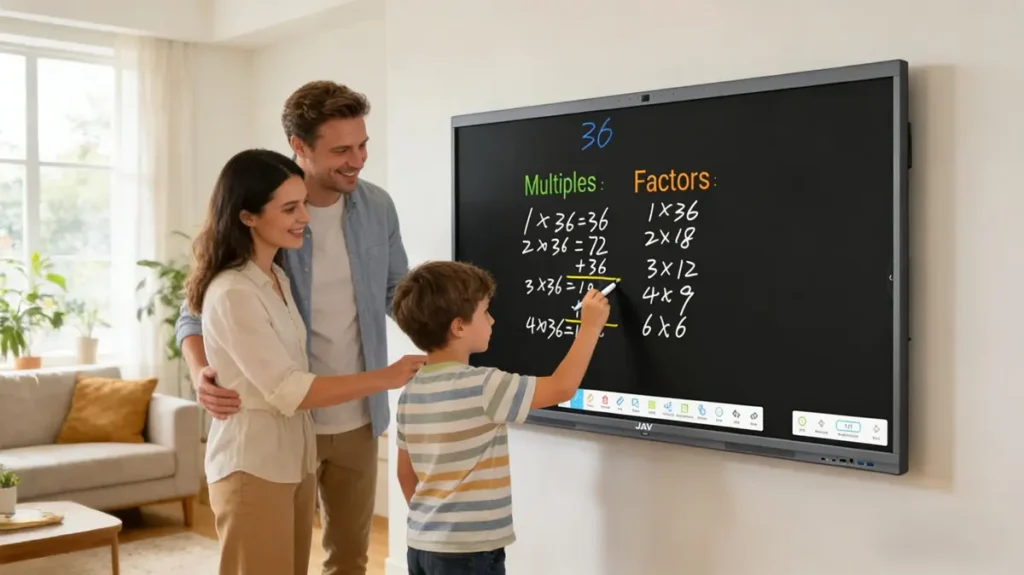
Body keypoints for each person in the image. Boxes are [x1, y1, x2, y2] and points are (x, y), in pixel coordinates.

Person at [175, 82, 422, 574]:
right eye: (341, 150)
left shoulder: (377, 209)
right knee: (277, 560)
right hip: (285, 418)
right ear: (300, 147)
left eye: (363, 145)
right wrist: (202, 369)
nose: (357, 160)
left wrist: (451, 338)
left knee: (349, 558)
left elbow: (399, 295)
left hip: (355, 419)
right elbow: (197, 311)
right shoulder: (259, 223)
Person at [390, 261, 610, 575]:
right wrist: (589, 327)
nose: (492, 320)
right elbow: (562, 387)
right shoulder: (484, 386)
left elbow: (404, 473)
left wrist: (435, 525)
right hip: (469, 551)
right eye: (485, 312)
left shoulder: (411, 391)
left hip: (422, 544)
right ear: (459, 327)